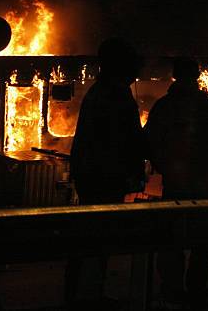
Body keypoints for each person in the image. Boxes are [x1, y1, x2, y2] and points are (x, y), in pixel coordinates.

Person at [145, 58, 208, 310]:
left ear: (175, 76)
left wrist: (162, 167)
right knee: (202, 243)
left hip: (175, 185)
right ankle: (196, 292)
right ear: (197, 76)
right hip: (204, 186)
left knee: (173, 241)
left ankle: (173, 292)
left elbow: (149, 141)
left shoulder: (164, 107)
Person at [66, 37, 145, 307]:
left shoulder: (100, 92)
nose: (137, 72)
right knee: (96, 237)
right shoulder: (113, 95)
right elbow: (126, 138)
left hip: (93, 174)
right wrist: (135, 168)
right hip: (103, 176)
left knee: (92, 237)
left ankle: (83, 293)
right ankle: (86, 296)